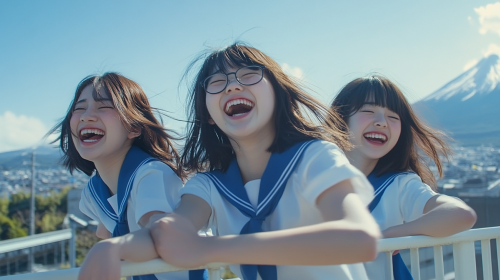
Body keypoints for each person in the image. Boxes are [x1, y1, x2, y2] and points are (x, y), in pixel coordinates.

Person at [77, 43, 381, 280]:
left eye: (249, 74)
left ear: (278, 92)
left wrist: (210, 248)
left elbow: (360, 237)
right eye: (217, 81)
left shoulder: (314, 157)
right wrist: (113, 247)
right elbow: (165, 233)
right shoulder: (208, 186)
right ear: (208, 114)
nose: (232, 86)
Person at [50, 73, 203, 280]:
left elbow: (159, 235)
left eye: (103, 106)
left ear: (134, 126)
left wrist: (111, 249)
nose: (86, 116)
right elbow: (107, 229)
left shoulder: (152, 175)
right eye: (79, 108)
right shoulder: (94, 192)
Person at [331, 75, 477, 280]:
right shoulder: (308, 175)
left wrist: (395, 233)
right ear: (341, 117)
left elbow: (462, 214)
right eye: (368, 111)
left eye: (393, 117)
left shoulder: (399, 185)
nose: (382, 122)